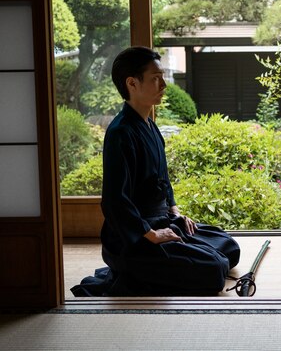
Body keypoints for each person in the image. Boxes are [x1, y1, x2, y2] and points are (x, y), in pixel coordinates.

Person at [72, 46, 240, 296]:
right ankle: (127, 272)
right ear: (132, 83)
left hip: (163, 220)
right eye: (155, 78)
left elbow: (162, 180)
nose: (163, 84)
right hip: (133, 236)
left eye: (162, 77)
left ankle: (165, 259)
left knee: (228, 247)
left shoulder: (149, 125)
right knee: (214, 269)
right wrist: (148, 233)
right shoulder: (121, 133)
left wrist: (175, 212)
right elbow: (114, 201)